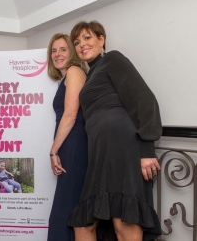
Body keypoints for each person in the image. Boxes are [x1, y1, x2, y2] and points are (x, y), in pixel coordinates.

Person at [68, 21, 162, 241]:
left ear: (102, 40)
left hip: (120, 146)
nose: (82, 44)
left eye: (87, 38)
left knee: (124, 222)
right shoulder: (91, 73)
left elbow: (144, 99)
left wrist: (147, 150)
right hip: (101, 151)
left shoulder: (112, 59)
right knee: (84, 224)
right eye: (77, 42)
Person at [46, 33, 88, 241]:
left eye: (63, 49)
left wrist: (53, 151)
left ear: (72, 52)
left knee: (64, 212)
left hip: (74, 145)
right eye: (54, 50)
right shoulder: (66, 76)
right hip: (68, 145)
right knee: (67, 209)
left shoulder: (74, 71)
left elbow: (71, 115)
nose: (57, 54)